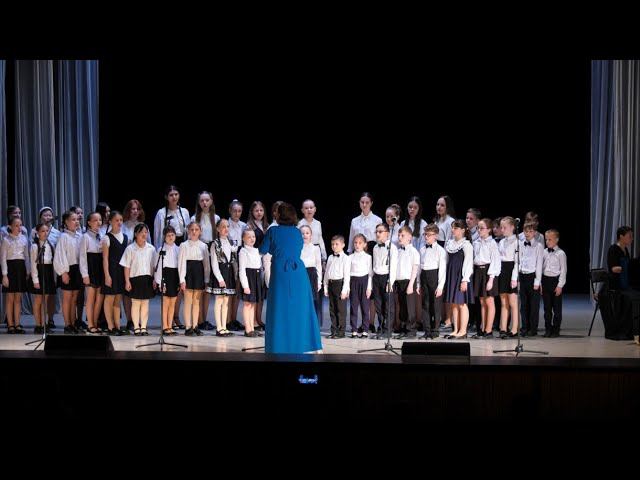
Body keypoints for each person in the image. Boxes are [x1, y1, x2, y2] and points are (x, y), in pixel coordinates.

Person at [259, 202, 322, 353]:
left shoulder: (273, 230)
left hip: (281, 271)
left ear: (280, 215)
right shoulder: (296, 232)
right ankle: (302, 344)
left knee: (279, 308)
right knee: (299, 309)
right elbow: (296, 248)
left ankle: (279, 345)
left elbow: (263, 249)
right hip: (298, 273)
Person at [121, 223, 158, 336]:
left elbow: (154, 266)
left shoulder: (151, 249)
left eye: (146, 232)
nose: (144, 234)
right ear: (136, 234)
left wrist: (155, 279)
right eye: (141, 232)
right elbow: (126, 266)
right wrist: (127, 281)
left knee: (145, 304)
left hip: (147, 279)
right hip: (135, 279)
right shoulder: (130, 249)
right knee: (136, 303)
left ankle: (144, 327)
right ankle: (136, 327)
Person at [192, 191, 220, 332]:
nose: (204, 203)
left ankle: (204, 318)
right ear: (199, 202)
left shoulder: (216, 218)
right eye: (202, 200)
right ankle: (198, 319)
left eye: (207, 200)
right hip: (198, 252)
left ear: (211, 201)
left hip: (212, 251)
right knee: (199, 287)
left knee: (207, 287)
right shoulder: (194, 218)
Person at [443, 220, 474, 339]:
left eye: (455, 228)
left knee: (462, 304)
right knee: (453, 304)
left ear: (463, 230)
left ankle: (463, 330)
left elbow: (468, 263)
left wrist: (465, 279)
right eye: (452, 228)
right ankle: (455, 329)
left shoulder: (466, 245)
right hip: (451, 275)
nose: (453, 230)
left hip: (461, 276)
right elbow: (446, 261)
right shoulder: (450, 244)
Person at [53, 211, 83, 334]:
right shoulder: (63, 237)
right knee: (67, 298)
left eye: (77, 219)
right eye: (73, 220)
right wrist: (63, 273)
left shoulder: (80, 236)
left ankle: (73, 323)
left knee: (74, 298)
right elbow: (59, 256)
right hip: (67, 269)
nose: (76, 222)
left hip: (77, 269)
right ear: (66, 222)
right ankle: (67, 324)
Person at [178, 222, 209, 337]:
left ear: (200, 231)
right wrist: (182, 279)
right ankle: (188, 326)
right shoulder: (184, 245)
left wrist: (206, 279)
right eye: (192, 229)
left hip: (199, 273)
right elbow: (181, 263)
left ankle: (195, 326)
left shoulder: (203, 246)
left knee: (196, 301)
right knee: (188, 301)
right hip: (188, 272)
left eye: (196, 229)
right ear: (188, 231)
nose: (194, 232)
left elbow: (206, 265)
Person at [471, 218, 500, 338]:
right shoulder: (476, 242)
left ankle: (489, 330)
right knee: (482, 301)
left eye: (482, 228)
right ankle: (483, 328)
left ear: (489, 230)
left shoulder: (492, 243)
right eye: (478, 228)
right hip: (478, 271)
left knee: (489, 301)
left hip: (488, 272)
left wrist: (491, 279)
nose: (479, 230)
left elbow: (495, 261)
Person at [417, 223, 446, 339]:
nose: (426, 237)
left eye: (428, 235)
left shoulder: (440, 250)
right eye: (425, 234)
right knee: (425, 305)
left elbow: (442, 269)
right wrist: (418, 284)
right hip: (424, 276)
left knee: (435, 305)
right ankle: (427, 330)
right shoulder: (422, 249)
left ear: (436, 236)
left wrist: (440, 286)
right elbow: (419, 268)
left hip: (434, 277)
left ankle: (435, 330)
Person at [101, 211, 128, 336]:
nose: (119, 222)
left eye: (121, 220)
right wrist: (107, 275)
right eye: (116, 220)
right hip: (111, 270)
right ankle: (110, 326)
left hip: (121, 271)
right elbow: (105, 259)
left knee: (118, 299)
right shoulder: (107, 238)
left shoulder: (125, 237)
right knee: (110, 298)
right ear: (110, 221)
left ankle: (117, 325)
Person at [1, 217, 30, 333]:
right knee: (10, 298)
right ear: (10, 227)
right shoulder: (6, 240)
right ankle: (10, 325)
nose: (19, 228)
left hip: (20, 268)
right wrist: (4, 275)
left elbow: (26, 256)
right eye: (16, 225)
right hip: (10, 269)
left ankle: (17, 324)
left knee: (18, 298)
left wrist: (28, 270)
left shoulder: (24, 239)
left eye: (20, 225)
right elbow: (3, 259)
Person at [209, 219, 236, 337]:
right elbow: (214, 263)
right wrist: (220, 278)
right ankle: (219, 327)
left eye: (227, 226)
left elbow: (233, 260)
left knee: (226, 301)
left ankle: (224, 326)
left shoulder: (231, 243)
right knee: (219, 300)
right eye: (223, 227)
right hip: (220, 273)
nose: (226, 229)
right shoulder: (215, 244)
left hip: (228, 272)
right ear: (218, 229)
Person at [371, 223, 398, 338]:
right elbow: (374, 265)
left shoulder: (392, 247)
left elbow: (393, 265)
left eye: (380, 231)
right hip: (377, 277)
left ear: (387, 233)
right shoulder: (375, 247)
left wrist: (390, 281)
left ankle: (388, 329)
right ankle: (381, 328)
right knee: (378, 305)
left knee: (388, 306)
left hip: (387, 277)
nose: (378, 234)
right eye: (376, 232)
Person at [79, 212, 104, 334]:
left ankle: (95, 322)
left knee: (99, 298)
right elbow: (82, 257)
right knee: (90, 298)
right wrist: (85, 275)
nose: (98, 222)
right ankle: (90, 324)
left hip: (100, 267)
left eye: (100, 220)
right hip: (91, 267)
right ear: (89, 222)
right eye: (95, 220)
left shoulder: (102, 235)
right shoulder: (85, 237)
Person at [393, 226, 420, 339]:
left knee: (409, 307)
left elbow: (415, 269)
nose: (399, 237)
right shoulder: (398, 251)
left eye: (402, 235)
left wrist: (411, 285)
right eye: (399, 235)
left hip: (409, 282)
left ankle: (411, 330)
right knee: (402, 307)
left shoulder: (413, 251)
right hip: (399, 282)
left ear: (409, 237)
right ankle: (404, 328)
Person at [29, 223, 56, 334]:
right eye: (43, 231)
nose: (45, 233)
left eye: (47, 231)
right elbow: (33, 264)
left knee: (45, 301)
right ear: (38, 233)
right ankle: (38, 324)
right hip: (39, 272)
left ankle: (43, 324)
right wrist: (35, 280)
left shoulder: (50, 244)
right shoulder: (35, 246)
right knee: (38, 300)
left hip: (48, 272)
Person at [518, 222, 544, 336]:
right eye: (526, 231)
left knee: (533, 305)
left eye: (530, 231)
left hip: (532, 277)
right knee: (523, 305)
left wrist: (537, 281)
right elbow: (518, 261)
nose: (528, 233)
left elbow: (539, 264)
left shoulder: (538, 246)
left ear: (534, 233)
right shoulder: (520, 244)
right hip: (522, 276)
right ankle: (524, 327)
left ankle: (533, 329)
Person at [238, 229, 265, 337]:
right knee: (247, 304)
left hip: (256, 278)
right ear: (243, 239)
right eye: (249, 237)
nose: (252, 239)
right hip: (248, 278)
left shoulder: (256, 250)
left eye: (253, 236)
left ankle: (252, 327)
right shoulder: (243, 251)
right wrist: (245, 285)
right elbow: (242, 270)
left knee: (253, 304)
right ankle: (247, 329)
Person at [155, 226, 180, 335]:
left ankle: (170, 325)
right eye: (168, 235)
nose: (170, 237)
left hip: (174, 276)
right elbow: (158, 267)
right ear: (164, 237)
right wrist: (160, 282)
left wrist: (180, 280)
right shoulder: (161, 250)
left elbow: (180, 266)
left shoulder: (178, 249)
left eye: (172, 235)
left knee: (173, 303)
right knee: (165, 303)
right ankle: (164, 326)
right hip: (165, 276)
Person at [541, 229, 567, 338]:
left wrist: (560, 286)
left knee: (556, 308)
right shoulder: (544, 252)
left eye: (550, 239)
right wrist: (541, 283)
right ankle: (548, 329)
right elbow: (541, 268)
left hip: (555, 282)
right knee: (547, 308)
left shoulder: (561, 253)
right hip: (545, 281)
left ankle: (556, 329)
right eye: (546, 239)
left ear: (556, 240)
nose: (547, 242)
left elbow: (563, 271)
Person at [498, 216, 519, 338]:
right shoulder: (501, 242)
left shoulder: (517, 242)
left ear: (512, 227)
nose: (502, 230)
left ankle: (515, 328)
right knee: (503, 301)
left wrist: (514, 278)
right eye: (501, 227)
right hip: (502, 271)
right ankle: (503, 328)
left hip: (511, 271)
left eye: (504, 227)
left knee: (512, 302)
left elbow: (517, 262)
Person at [348, 234, 372, 338]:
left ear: (364, 244)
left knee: (365, 308)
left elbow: (370, 274)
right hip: (353, 281)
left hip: (364, 281)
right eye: (355, 243)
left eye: (360, 243)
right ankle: (354, 330)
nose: (357, 245)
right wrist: (347, 287)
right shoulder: (350, 257)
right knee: (353, 307)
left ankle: (365, 330)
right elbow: (347, 273)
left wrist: (369, 287)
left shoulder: (368, 257)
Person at [300, 225, 322, 328]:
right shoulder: (297, 248)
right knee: (302, 300)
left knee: (312, 300)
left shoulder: (315, 248)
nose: (304, 235)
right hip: (300, 275)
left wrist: (319, 282)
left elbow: (318, 265)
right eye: (302, 233)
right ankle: (302, 323)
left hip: (312, 275)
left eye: (307, 233)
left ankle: (313, 324)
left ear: (311, 235)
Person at [607, 225, 633, 291]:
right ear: (621, 236)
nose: (632, 239)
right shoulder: (613, 249)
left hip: (624, 282)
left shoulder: (625, 250)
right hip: (616, 284)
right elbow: (613, 269)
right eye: (630, 236)